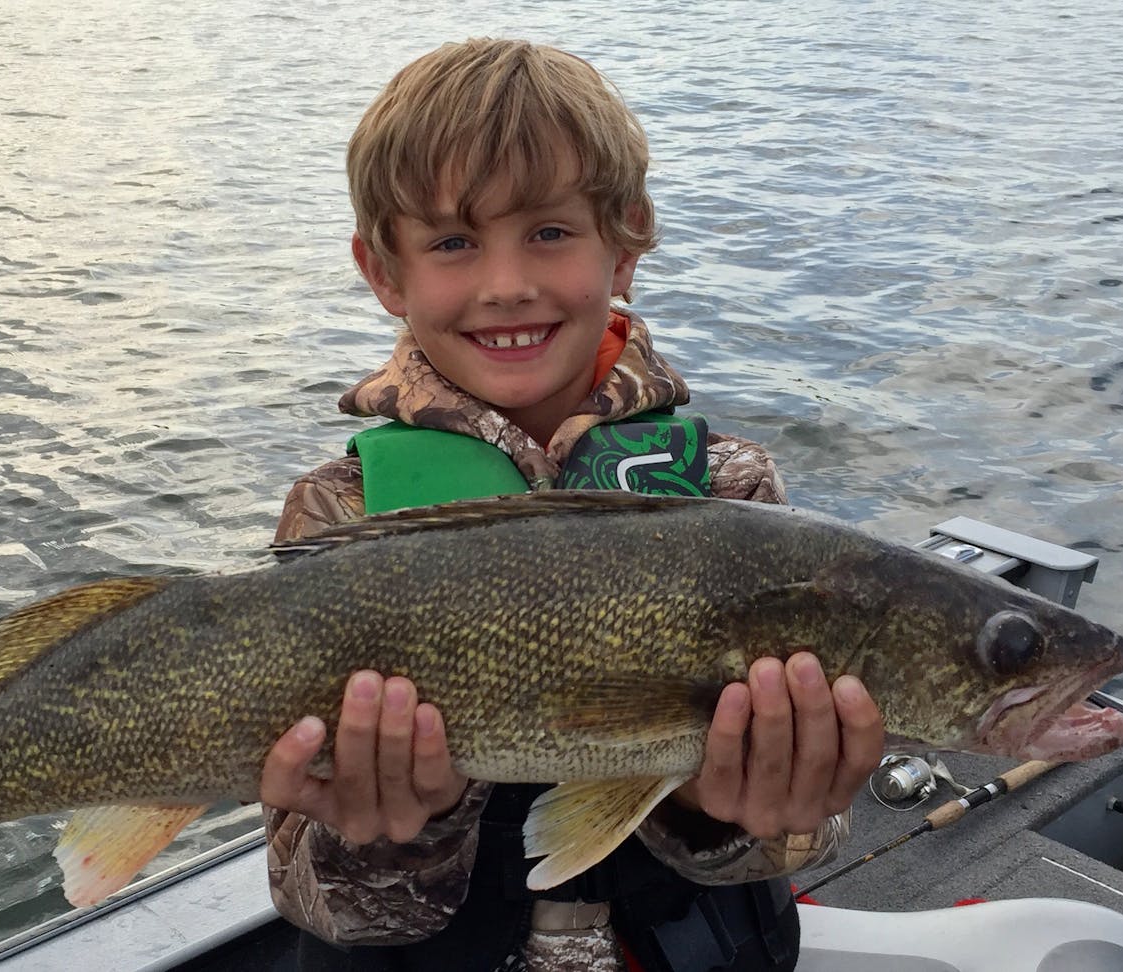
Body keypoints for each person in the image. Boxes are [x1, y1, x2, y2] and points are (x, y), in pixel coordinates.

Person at [259, 38, 885, 972]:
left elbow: (802, 839)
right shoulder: (339, 514)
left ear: (625, 242)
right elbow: (316, 897)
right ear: (384, 272)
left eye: (550, 232)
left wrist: (727, 808)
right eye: (452, 243)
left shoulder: (731, 493)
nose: (506, 283)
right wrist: (390, 833)